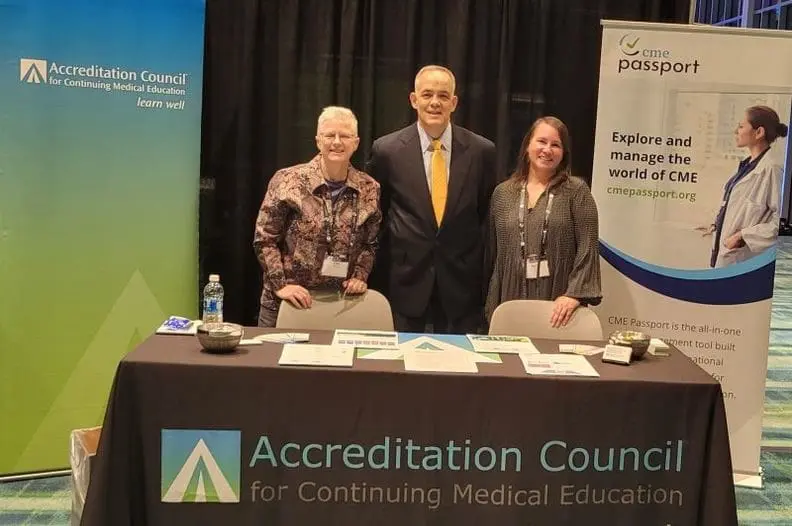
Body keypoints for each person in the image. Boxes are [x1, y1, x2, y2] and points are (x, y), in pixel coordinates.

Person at [366, 65, 497, 334]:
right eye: (427, 95)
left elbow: (484, 212)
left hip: (461, 286)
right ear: (414, 100)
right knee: (402, 370)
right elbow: (379, 213)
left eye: (443, 95)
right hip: (405, 282)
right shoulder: (387, 151)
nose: (435, 102)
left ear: (454, 102)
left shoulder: (481, 151)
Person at [253, 106, 382, 327]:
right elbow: (265, 238)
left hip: (341, 305)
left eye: (345, 136)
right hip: (288, 302)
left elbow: (370, 243)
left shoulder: (370, 188)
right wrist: (281, 285)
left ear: (356, 143)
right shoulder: (288, 180)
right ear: (318, 140)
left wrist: (360, 276)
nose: (337, 142)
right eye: (330, 135)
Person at [484, 116, 601, 328]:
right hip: (510, 299)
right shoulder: (502, 194)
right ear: (528, 145)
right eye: (541, 141)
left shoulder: (576, 192)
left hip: (559, 304)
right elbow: (493, 255)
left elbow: (588, 246)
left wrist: (574, 295)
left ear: (564, 153)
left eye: (555, 145)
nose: (547, 150)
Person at [696, 105, 788, 268]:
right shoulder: (747, 166)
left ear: (759, 132)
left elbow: (781, 222)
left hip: (742, 259)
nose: (735, 131)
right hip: (724, 253)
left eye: (740, 126)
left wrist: (743, 236)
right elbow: (738, 208)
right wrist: (716, 225)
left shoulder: (772, 169)